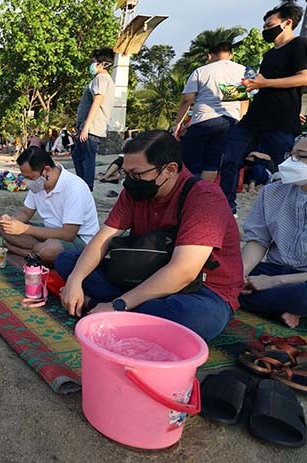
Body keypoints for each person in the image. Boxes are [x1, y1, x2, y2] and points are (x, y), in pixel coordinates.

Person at [56, 131, 242, 341]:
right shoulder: (136, 192)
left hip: (201, 290)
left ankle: (103, 307)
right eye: (126, 173)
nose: (130, 181)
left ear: (170, 170)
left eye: (137, 174)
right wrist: (75, 280)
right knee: (68, 261)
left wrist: (119, 305)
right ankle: (136, 315)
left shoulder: (204, 197)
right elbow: (103, 238)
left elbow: (184, 272)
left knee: (194, 317)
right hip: (145, 273)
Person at [220, 2, 307, 215]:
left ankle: (297, 210)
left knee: (290, 167)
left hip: (280, 120)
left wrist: (264, 83)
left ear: (287, 23)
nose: (266, 29)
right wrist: (249, 87)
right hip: (254, 117)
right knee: (230, 157)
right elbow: (262, 83)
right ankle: (225, 207)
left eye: (270, 25)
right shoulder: (268, 55)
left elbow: (304, 77)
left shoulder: (299, 45)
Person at [239, 141, 307, 328]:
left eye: (301, 156)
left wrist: (273, 282)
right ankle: (284, 306)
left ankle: (280, 303)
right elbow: (258, 240)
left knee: (301, 296)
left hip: (298, 281)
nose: (291, 162)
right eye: (291, 155)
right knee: (220, 275)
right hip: (275, 268)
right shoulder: (272, 192)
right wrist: (240, 276)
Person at [0, 146, 99, 265]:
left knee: (49, 250)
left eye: (30, 177)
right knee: (1, 227)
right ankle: (36, 252)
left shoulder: (74, 187)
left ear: (46, 170)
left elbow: (68, 234)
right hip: (48, 232)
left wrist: (25, 229)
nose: (27, 182)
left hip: (78, 239)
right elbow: (26, 212)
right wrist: (10, 221)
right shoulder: (38, 184)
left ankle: (27, 252)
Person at [172, 42, 248, 181]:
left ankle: (187, 192)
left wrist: (178, 124)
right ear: (232, 54)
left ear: (209, 56)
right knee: (212, 163)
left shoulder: (201, 71)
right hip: (230, 120)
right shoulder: (243, 71)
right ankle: (203, 193)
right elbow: (244, 100)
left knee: (189, 161)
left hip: (203, 119)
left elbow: (187, 100)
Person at [73, 47, 116, 191]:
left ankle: (85, 188)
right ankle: (81, 187)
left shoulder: (101, 78)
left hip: (92, 127)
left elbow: (97, 102)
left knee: (86, 159)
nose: (92, 64)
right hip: (87, 126)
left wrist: (86, 127)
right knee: (78, 156)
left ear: (103, 64)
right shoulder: (99, 79)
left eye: (94, 62)